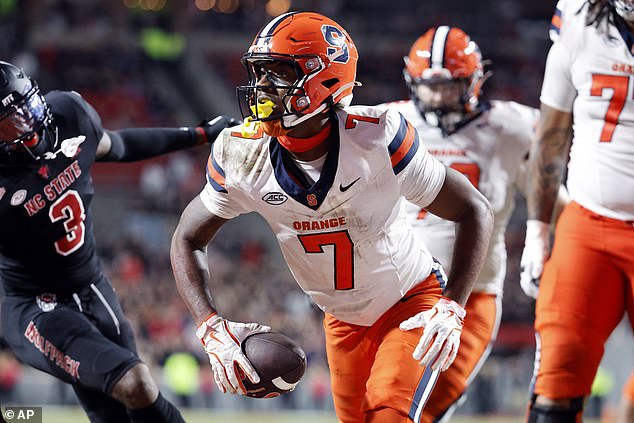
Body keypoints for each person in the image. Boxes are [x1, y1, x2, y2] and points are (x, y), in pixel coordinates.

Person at [170, 12, 494, 423]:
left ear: (324, 79)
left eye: (279, 74)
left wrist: (452, 307)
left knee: (389, 414)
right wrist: (209, 325)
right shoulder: (240, 154)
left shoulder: (378, 138)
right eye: (260, 74)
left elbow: (473, 209)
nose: (262, 88)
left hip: (410, 302)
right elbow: (187, 237)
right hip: (342, 321)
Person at [0, 60, 234, 423]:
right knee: (136, 383)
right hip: (36, 306)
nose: (26, 128)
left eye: (26, 110)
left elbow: (119, 144)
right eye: (8, 125)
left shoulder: (69, 116)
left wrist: (199, 134)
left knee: (114, 412)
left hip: (93, 288)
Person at [383, 26, 539, 422]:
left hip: (471, 294)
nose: (436, 97)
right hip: (393, 291)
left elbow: (552, 196)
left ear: (474, 81)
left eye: (449, 86)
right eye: (428, 86)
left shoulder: (513, 128)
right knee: (380, 408)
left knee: (424, 410)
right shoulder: (390, 122)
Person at [519, 0, 634, 421]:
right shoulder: (578, 20)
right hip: (589, 225)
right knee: (556, 380)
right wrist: (537, 231)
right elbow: (551, 134)